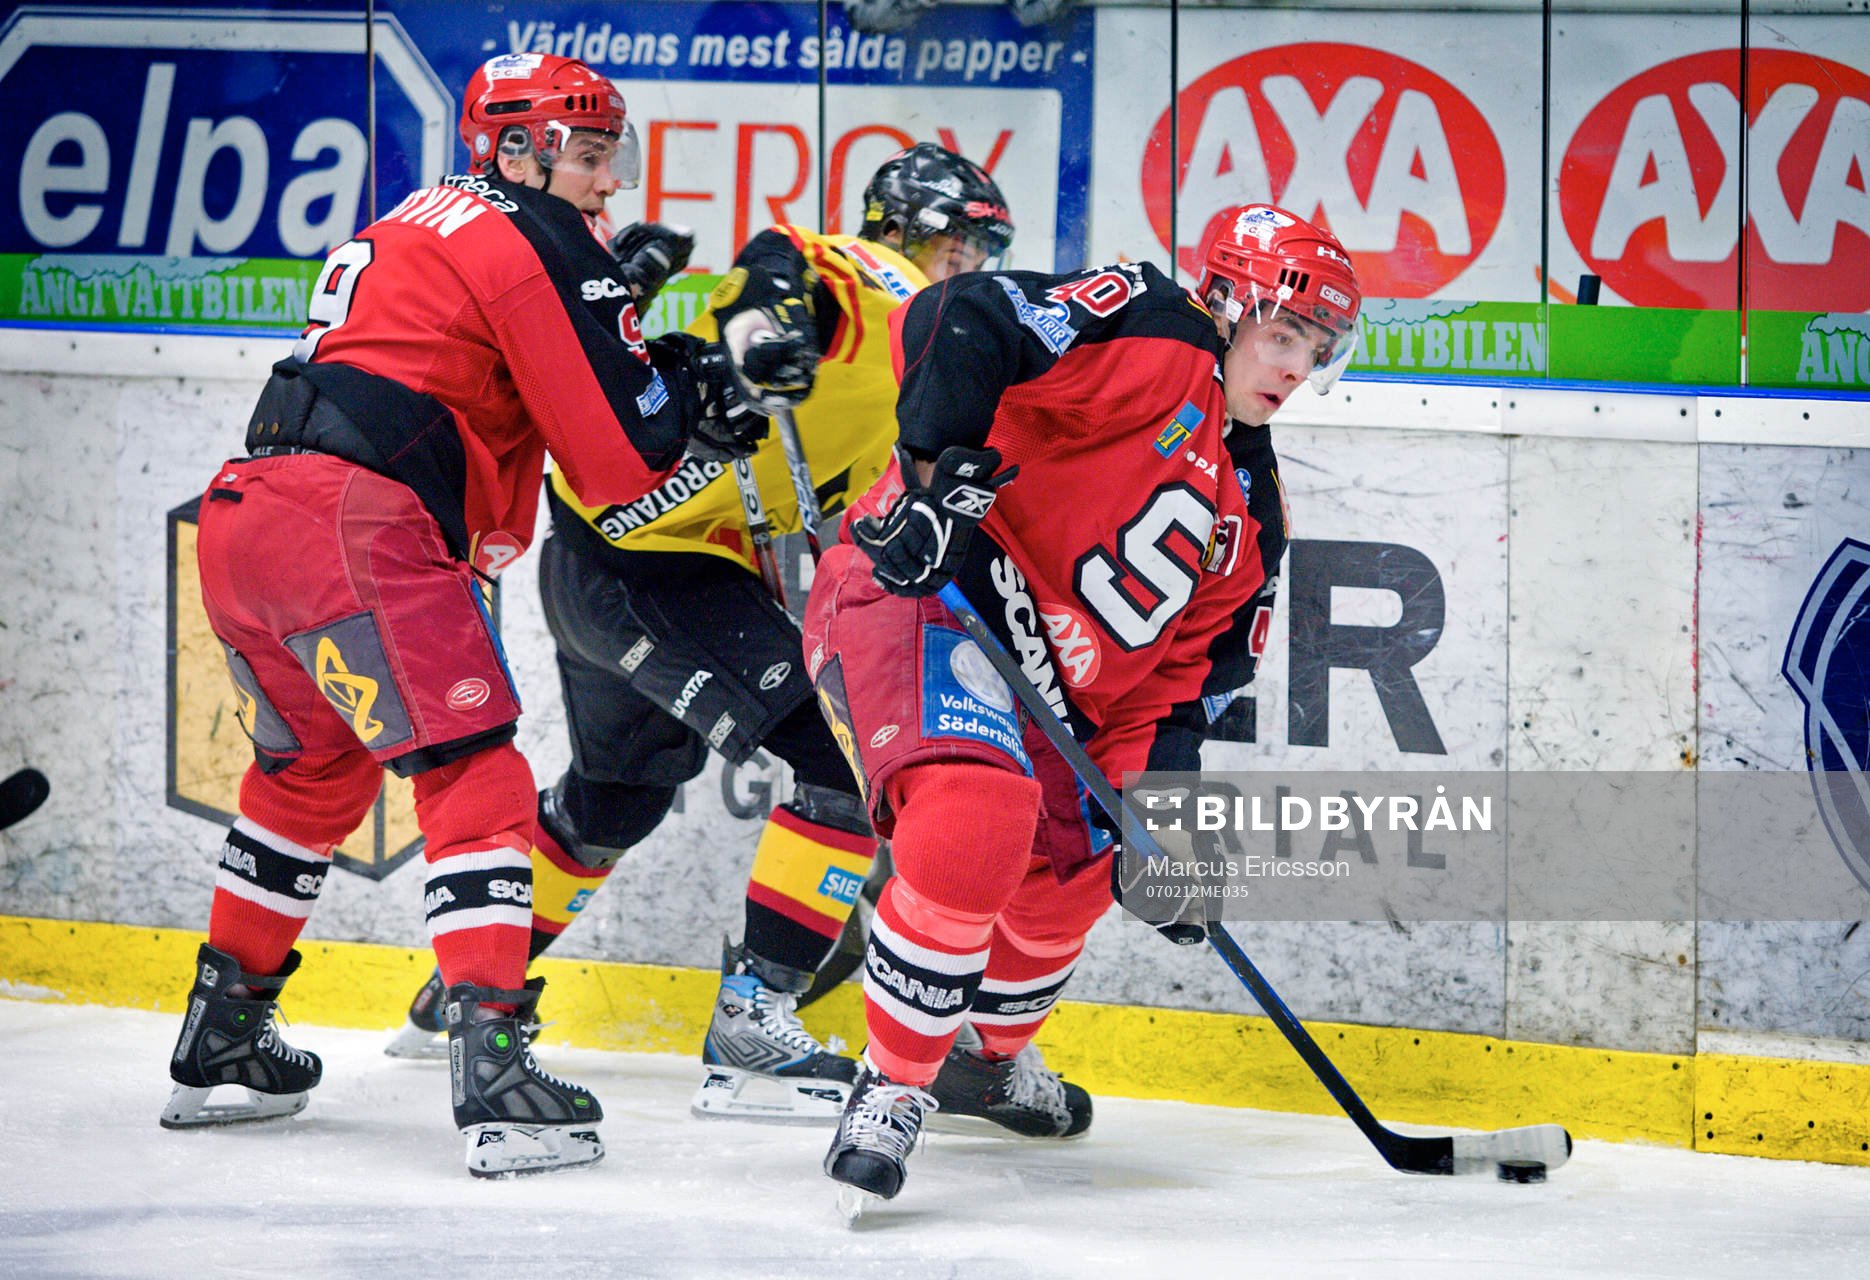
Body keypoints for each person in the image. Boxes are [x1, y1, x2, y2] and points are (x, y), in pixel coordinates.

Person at [159, 52, 759, 1178]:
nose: (604, 182)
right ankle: (494, 1064)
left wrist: (623, 327)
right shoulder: (538, 237)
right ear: (519, 149)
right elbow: (621, 463)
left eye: (607, 155)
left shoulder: (416, 218)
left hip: (248, 516)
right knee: (475, 774)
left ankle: (224, 1028)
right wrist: (687, 395)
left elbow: (476, 365)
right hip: (362, 524)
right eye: (586, 155)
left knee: (308, 776)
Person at [381, 144, 1019, 1123]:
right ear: (902, 231)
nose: (969, 261)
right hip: (645, 569)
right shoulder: (889, 287)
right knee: (840, 758)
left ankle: (464, 992)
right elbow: (778, 259)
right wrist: (772, 325)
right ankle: (752, 1018)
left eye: (987, 245)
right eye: (959, 239)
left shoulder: (938, 367)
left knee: (615, 797)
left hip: (610, 560)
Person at [802, 203, 1361, 1209]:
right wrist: (933, 479)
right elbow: (957, 312)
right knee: (976, 823)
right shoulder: (1156, 330)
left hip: (1055, 688)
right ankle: (891, 1083)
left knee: (1073, 873)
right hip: (930, 593)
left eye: (1313, 349)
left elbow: (1183, 684)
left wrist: (1164, 823)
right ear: (1226, 304)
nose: (1291, 366)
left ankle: (985, 1058)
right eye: (1282, 334)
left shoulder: (1256, 510)